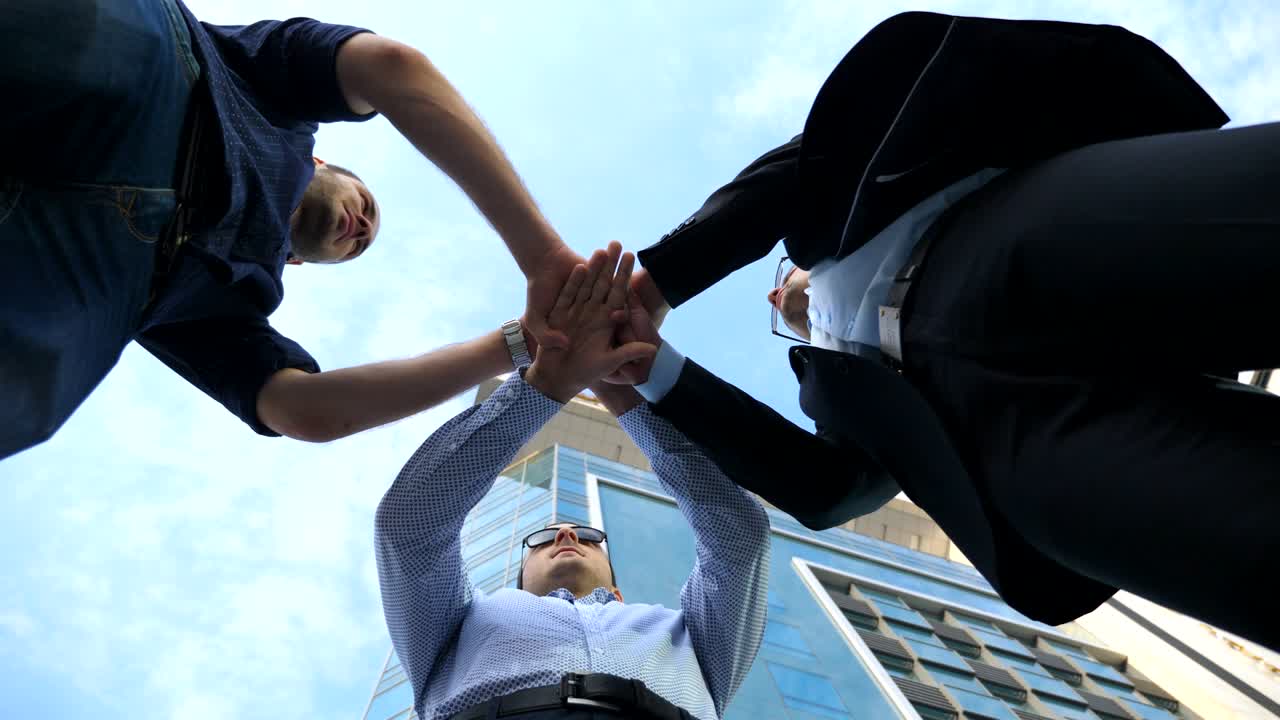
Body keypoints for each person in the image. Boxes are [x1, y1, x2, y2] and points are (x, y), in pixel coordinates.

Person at [620, 11, 1280, 650]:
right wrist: (651, 365)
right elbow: (822, 492)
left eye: (781, 275)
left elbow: (802, 167)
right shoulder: (844, 405)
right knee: (1238, 537)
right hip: (1011, 447)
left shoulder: (843, 190)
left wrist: (653, 285)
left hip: (1017, 232)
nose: (776, 291)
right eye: (775, 313)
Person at [0, 0, 588, 460]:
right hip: (152, 79)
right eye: (368, 208)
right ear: (325, 164)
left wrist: (516, 346)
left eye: (359, 246)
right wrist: (542, 257)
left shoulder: (230, 312)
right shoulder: (276, 92)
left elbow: (306, 411)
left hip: (79, 277)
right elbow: (391, 69)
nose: (360, 229)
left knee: (31, 392)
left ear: (301, 265)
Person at [374, 247, 770, 720]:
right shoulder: (460, 621)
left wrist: (621, 394)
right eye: (543, 539)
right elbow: (409, 524)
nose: (566, 534)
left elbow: (739, 537)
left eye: (587, 536)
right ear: (515, 588)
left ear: (621, 593)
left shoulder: (689, 634)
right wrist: (547, 386)